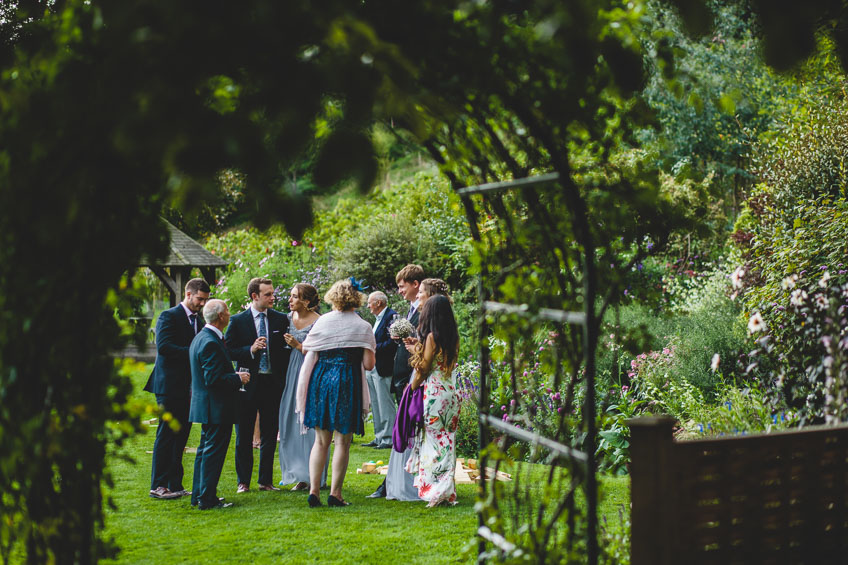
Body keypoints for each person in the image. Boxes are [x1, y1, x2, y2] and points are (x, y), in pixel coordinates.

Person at [296, 279, 376, 507]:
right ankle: (335, 493)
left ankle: (314, 490)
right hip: (347, 381)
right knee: (342, 441)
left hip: (321, 380)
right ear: (356, 298)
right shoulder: (363, 326)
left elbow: (309, 350)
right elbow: (369, 365)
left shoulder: (322, 323)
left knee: (320, 441)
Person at [144, 278, 209, 500]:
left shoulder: (199, 322)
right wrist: (195, 352)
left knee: (182, 436)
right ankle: (158, 485)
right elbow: (164, 347)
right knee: (166, 434)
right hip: (169, 386)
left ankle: (175, 484)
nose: (202, 304)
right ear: (188, 294)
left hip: (189, 387)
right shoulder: (168, 316)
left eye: (205, 300)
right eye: (199, 299)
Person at [226, 277, 292, 493]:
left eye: (273, 293)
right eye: (268, 294)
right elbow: (228, 350)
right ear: (255, 296)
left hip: (272, 383)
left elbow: (285, 350)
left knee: (270, 433)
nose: (273, 297)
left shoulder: (281, 319)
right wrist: (250, 350)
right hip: (247, 383)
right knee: (243, 433)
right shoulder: (238, 321)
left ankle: (265, 481)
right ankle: (243, 481)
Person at [368, 264, 425, 501]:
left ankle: (400, 482)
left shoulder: (424, 312)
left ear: (415, 285)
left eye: (402, 287)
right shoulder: (412, 310)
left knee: (407, 433)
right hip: (403, 378)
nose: (400, 291)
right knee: (403, 433)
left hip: (413, 379)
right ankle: (392, 480)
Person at [188, 299, 250, 510]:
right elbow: (213, 379)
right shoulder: (210, 342)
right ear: (221, 316)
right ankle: (207, 499)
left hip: (208, 406)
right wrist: (238, 378)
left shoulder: (201, 338)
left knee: (204, 452)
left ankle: (199, 495)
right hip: (215, 407)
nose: (230, 315)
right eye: (228, 311)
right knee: (212, 454)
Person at [404, 294, 460, 506]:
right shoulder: (453, 336)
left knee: (433, 442)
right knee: (447, 441)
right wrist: (417, 347)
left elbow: (425, 368)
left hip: (434, 393)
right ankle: (446, 489)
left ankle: (435, 490)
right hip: (450, 392)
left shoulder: (431, 337)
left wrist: (413, 386)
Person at [278, 283, 326, 491]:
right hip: (290, 373)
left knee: (310, 423)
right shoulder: (287, 319)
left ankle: (313, 475)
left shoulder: (320, 322)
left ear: (307, 301)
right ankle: (295, 472)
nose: (290, 300)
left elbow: (323, 350)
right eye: (290, 296)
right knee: (290, 420)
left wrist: (298, 346)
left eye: (295, 297)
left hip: (311, 372)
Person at [363, 291, 398, 449]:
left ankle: (388, 438)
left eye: (370, 302)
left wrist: (374, 348)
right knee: (376, 403)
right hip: (372, 366)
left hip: (383, 366)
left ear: (378, 303)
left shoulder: (392, 317)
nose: (368, 306)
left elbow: (392, 344)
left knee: (385, 403)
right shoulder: (377, 319)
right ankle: (379, 437)